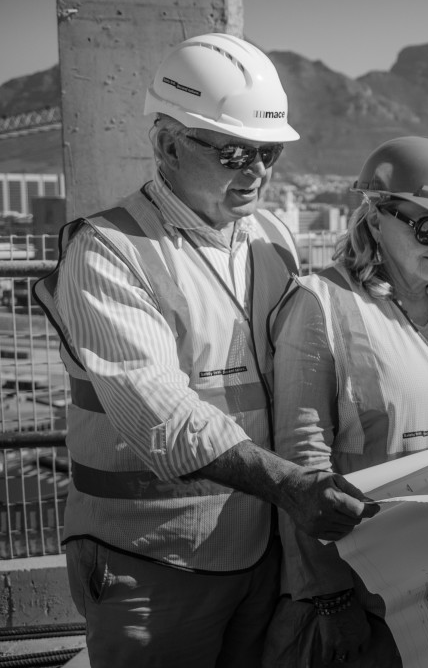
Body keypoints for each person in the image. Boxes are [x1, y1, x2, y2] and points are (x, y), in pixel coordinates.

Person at [34, 33, 378, 668]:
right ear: (168, 143)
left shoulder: (273, 237)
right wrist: (292, 486)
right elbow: (158, 416)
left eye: (268, 152)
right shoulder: (109, 250)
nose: (258, 172)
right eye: (236, 152)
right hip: (149, 560)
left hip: (259, 548)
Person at [263, 136, 428, 667]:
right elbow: (302, 467)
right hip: (368, 598)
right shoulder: (321, 304)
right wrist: (332, 599)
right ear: (374, 220)